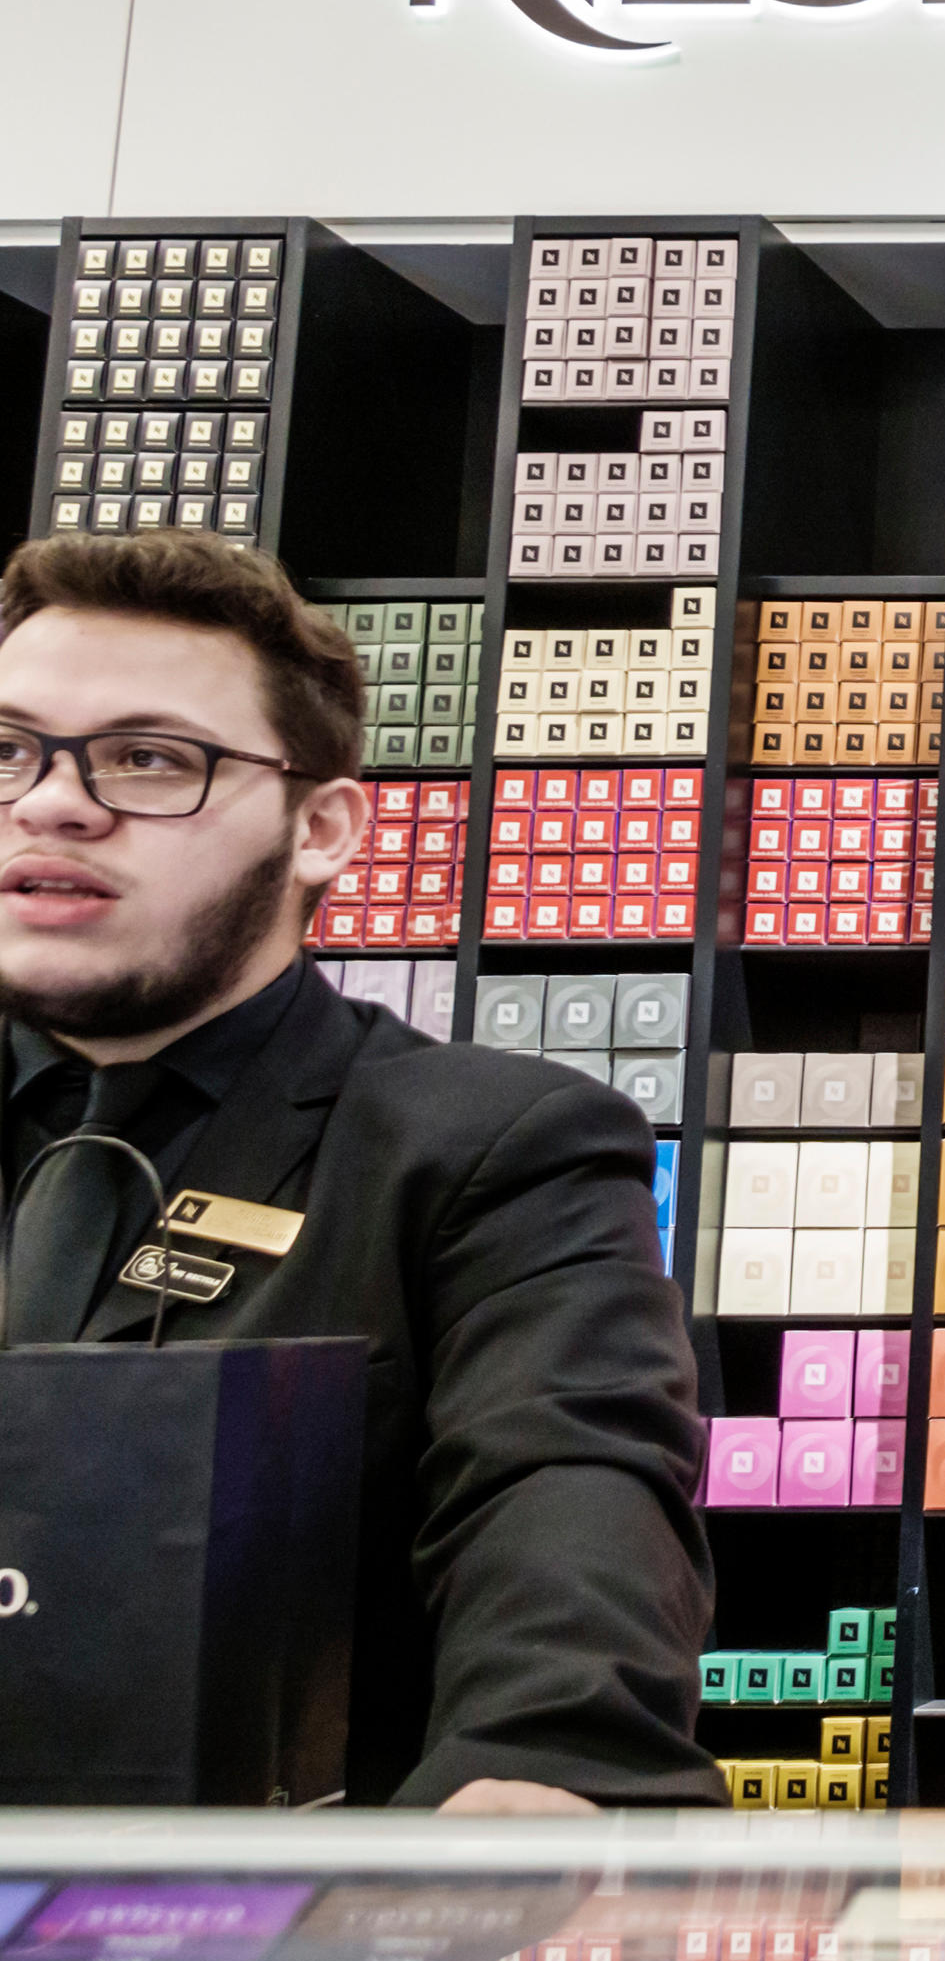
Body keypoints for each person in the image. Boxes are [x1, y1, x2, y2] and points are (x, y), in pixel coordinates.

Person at [0, 533, 716, 1811]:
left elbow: (560, 1473)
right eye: (11, 749)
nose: (53, 801)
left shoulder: (491, 1147)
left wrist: (548, 1755)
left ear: (321, 826)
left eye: (148, 758)